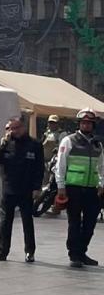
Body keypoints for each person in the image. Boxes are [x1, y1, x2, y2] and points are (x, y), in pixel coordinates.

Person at [54, 109, 104, 268]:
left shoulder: (98, 144)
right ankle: (74, 254)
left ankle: (82, 251)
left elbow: (102, 166)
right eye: (83, 122)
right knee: (74, 222)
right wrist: (61, 186)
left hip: (92, 189)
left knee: (90, 223)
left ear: (93, 125)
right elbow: (60, 165)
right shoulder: (69, 140)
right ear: (79, 124)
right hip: (73, 187)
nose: (86, 125)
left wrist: (102, 184)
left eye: (89, 123)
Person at [0, 116, 44, 262]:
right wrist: (2, 145)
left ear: (23, 128)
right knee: (5, 221)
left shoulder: (34, 144)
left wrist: (37, 187)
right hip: (9, 188)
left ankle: (29, 251)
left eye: (15, 128)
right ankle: (2, 251)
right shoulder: (6, 143)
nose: (12, 131)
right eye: (9, 128)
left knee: (27, 220)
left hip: (26, 189)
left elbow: (39, 168)